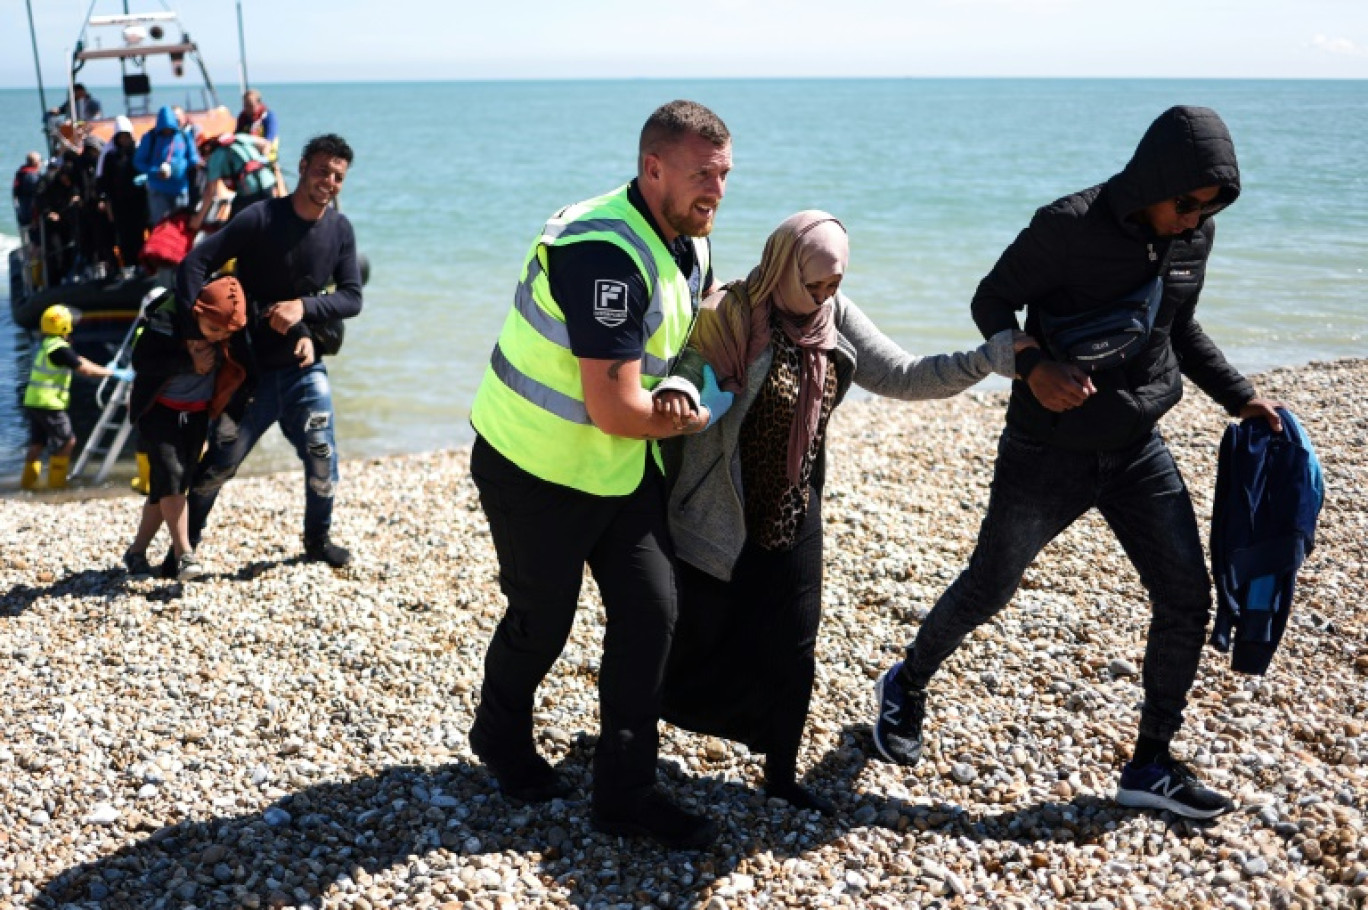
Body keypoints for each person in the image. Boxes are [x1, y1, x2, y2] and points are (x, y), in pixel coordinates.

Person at [870, 106, 1284, 820]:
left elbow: (1177, 327)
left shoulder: (1193, 235)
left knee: (1187, 596)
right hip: (1045, 451)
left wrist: (1241, 397)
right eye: (1184, 203)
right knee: (989, 587)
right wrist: (1031, 365)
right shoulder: (1067, 225)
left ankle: (1150, 763)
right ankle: (907, 680)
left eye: (1206, 210)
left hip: (1135, 448)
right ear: (1156, 178)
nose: (1192, 222)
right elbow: (991, 300)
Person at [656, 212, 1024, 814]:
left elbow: (903, 375)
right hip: (725, 511)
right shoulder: (733, 312)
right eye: (816, 284)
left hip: (796, 510)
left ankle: (780, 774)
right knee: (695, 641)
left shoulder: (834, 317)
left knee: (795, 646)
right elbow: (692, 367)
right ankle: (634, 739)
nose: (826, 296)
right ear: (783, 266)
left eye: (836, 283)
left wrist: (984, 359)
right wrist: (680, 392)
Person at [466, 100, 730, 849]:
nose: (716, 190)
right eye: (701, 174)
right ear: (653, 168)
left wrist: (688, 375)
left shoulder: (686, 232)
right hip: (534, 468)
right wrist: (697, 419)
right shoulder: (602, 251)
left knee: (652, 614)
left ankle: (626, 794)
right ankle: (500, 734)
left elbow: (687, 320)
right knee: (541, 621)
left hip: (620, 469)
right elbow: (615, 407)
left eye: (724, 175)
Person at [176, 133, 362, 570]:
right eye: (321, 170)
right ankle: (185, 547)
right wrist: (194, 334)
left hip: (304, 368)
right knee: (219, 466)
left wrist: (305, 309)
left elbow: (352, 297)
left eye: (337, 176)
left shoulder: (339, 229)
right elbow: (194, 263)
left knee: (322, 458)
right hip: (248, 372)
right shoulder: (259, 217)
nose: (328, 181)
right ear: (301, 167)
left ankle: (317, 541)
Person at [122, 278, 248, 580]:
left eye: (225, 333)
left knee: (164, 487)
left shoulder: (224, 336)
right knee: (173, 477)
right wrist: (188, 362)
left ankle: (136, 552)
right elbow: (141, 360)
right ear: (197, 311)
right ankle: (184, 554)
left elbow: (241, 367)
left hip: (196, 415)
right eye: (213, 329)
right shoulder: (166, 321)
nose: (218, 337)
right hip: (159, 411)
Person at [20, 304, 132, 490]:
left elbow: (78, 360)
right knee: (67, 441)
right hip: (50, 403)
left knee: (37, 444)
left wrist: (106, 368)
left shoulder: (49, 345)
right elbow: (84, 369)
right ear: (64, 325)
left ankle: (27, 484)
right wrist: (112, 374)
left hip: (34, 400)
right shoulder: (60, 349)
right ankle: (56, 486)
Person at [188, 133, 278, 233]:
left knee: (233, 226)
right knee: (269, 221)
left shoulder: (215, 157)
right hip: (269, 182)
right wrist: (261, 158)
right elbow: (265, 144)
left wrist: (198, 220)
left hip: (249, 192)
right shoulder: (239, 138)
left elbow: (210, 192)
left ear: (207, 152)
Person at [97, 116, 149, 270]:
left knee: (139, 232)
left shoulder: (138, 153)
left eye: (127, 136)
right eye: (121, 136)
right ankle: (128, 264)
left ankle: (142, 264)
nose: (124, 139)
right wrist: (105, 201)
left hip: (138, 201)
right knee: (124, 235)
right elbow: (104, 181)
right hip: (119, 203)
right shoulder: (110, 157)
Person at [134, 105, 200, 226]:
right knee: (161, 226)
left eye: (169, 129)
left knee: (181, 225)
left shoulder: (184, 136)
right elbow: (139, 162)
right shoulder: (150, 137)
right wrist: (155, 171)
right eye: (164, 129)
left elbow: (193, 158)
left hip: (180, 190)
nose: (167, 131)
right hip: (158, 191)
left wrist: (186, 166)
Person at [236, 90, 280, 161]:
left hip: (267, 158)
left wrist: (261, 160)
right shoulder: (242, 118)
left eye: (250, 105)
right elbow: (237, 137)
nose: (247, 108)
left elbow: (268, 142)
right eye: (245, 105)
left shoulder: (269, 117)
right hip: (246, 159)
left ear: (259, 103)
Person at [11, 151, 42, 242]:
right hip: (31, 215)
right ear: (36, 163)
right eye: (40, 161)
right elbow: (37, 196)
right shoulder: (32, 177)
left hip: (22, 212)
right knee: (35, 241)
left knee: (26, 241)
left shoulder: (21, 174)